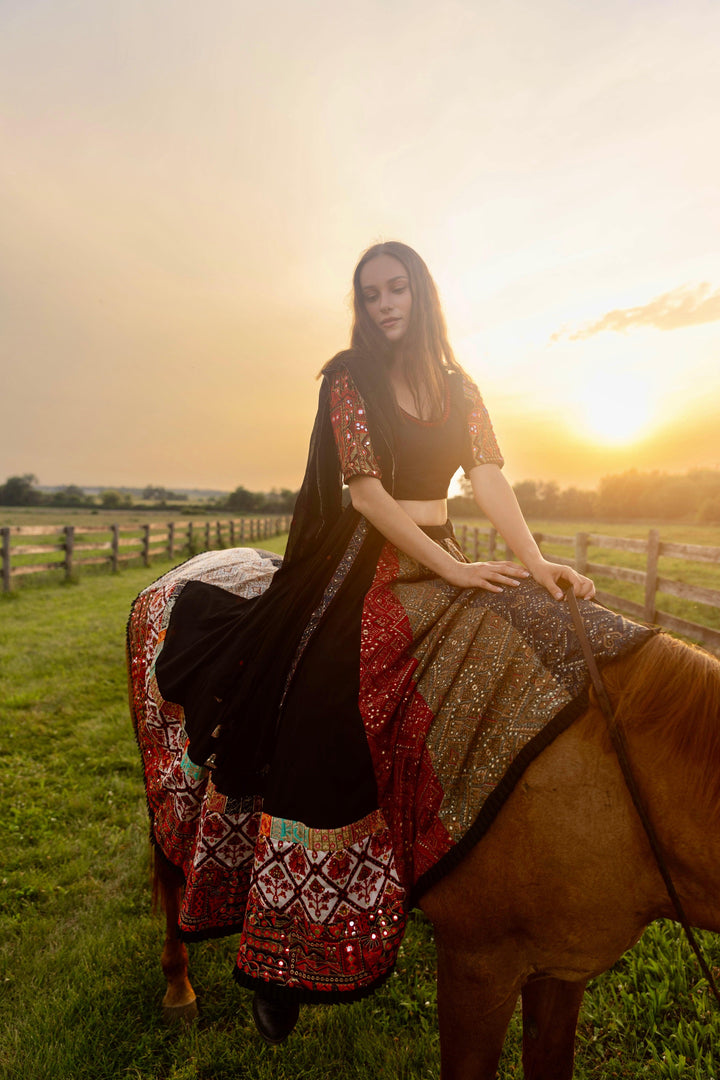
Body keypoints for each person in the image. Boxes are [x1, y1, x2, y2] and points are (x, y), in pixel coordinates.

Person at [154, 241, 652, 1044]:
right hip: (354, 565)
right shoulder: (349, 379)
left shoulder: (461, 388)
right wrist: (449, 572)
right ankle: (278, 949)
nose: (385, 305)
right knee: (313, 708)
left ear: (420, 294)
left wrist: (534, 562)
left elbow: (487, 477)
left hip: (444, 551)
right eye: (371, 294)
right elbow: (365, 493)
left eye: (396, 290)